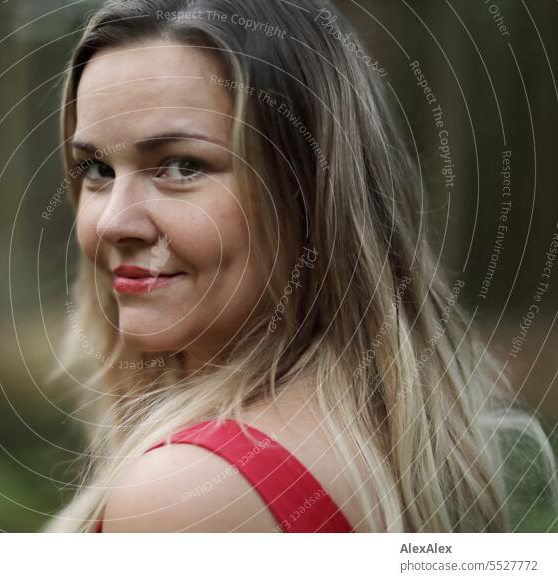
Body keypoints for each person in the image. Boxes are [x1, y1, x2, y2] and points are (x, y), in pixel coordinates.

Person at [43, 0, 557, 532]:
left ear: (313, 191)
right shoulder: (393, 436)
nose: (111, 223)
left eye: (182, 165)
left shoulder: (190, 490)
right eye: (97, 168)